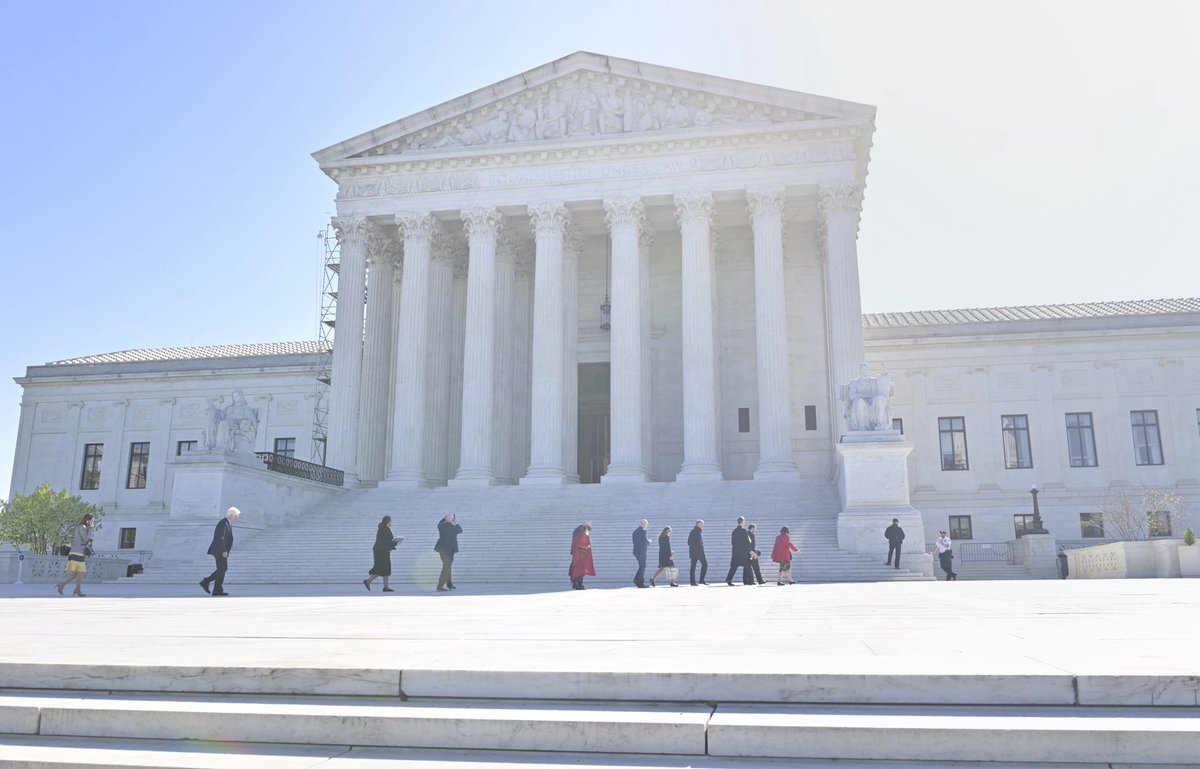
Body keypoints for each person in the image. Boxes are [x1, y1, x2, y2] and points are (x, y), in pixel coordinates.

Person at [200, 507, 239, 596]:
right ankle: (206, 582)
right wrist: (224, 550)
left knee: (222, 569)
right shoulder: (224, 523)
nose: (237, 518)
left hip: (221, 550)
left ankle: (217, 590)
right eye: (236, 516)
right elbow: (219, 538)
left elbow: (226, 537)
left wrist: (230, 545)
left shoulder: (227, 523)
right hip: (219, 550)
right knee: (223, 568)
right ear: (232, 515)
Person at [55, 513, 96, 597]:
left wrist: (89, 529)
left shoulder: (84, 527)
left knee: (79, 573)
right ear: (87, 520)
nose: (93, 523)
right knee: (79, 572)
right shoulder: (82, 527)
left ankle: (72, 588)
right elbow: (85, 539)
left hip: (79, 552)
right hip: (77, 552)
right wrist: (90, 529)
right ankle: (70, 587)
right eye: (92, 521)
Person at [364, 516, 402, 592]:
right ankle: (369, 582)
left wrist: (394, 543)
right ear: (388, 521)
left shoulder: (383, 528)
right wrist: (396, 542)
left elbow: (385, 541)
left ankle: (385, 586)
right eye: (391, 521)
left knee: (385, 569)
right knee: (381, 568)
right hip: (381, 552)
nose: (391, 522)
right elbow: (386, 541)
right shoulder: (385, 529)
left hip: (381, 551)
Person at [434, 514, 462, 592]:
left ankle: (450, 585)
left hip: (441, 550)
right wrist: (454, 522)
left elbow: (440, 522)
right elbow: (460, 530)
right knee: (446, 568)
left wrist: (445, 518)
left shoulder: (441, 526)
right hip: (449, 551)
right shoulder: (454, 528)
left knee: (447, 567)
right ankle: (440, 587)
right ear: (453, 520)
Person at [725, 516, 752, 586]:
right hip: (743, 552)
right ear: (742, 522)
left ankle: (728, 579)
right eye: (744, 522)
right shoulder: (744, 531)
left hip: (736, 552)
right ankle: (746, 581)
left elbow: (732, 542)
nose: (744, 523)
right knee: (747, 565)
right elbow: (747, 542)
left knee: (734, 567)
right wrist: (750, 551)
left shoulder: (734, 531)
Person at [569, 523, 595, 590]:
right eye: (588, 530)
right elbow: (580, 545)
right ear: (586, 529)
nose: (588, 532)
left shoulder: (577, 535)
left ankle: (576, 584)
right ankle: (579, 585)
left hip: (577, 555)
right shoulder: (582, 535)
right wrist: (587, 547)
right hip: (581, 556)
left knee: (577, 570)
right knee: (581, 571)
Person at [687, 519, 708, 586]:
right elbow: (698, 542)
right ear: (698, 525)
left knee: (693, 567)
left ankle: (692, 582)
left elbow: (689, 542)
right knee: (705, 564)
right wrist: (701, 546)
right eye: (702, 524)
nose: (703, 526)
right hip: (699, 552)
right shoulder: (697, 532)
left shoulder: (692, 531)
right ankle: (701, 580)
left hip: (693, 552)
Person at [631, 519, 650, 588]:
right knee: (643, 566)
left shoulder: (635, 531)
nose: (647, 526)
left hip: (636, 551)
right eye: (647, 524)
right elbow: (645, 540)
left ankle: (636, 580)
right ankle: (640, 582)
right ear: (644, 524)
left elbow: (634, 541)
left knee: (641, 566)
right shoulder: (643, 531)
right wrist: (649, 542)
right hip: (641, 551)